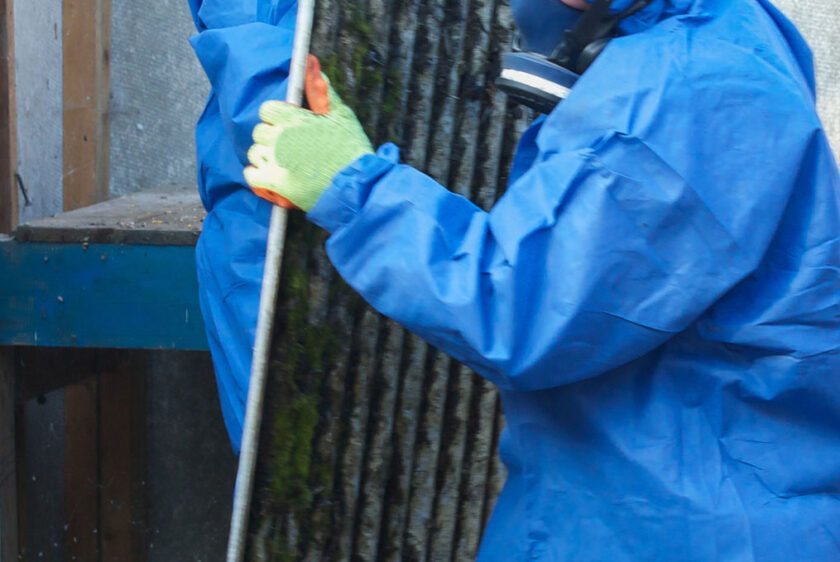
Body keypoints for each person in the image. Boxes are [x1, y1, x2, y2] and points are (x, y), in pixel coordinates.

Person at [193, 0, 840, 559]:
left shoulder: (678, 90)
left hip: (671, 524)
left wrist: (355, 188)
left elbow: (517, 305)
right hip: (676, 493)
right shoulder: (720, 34)